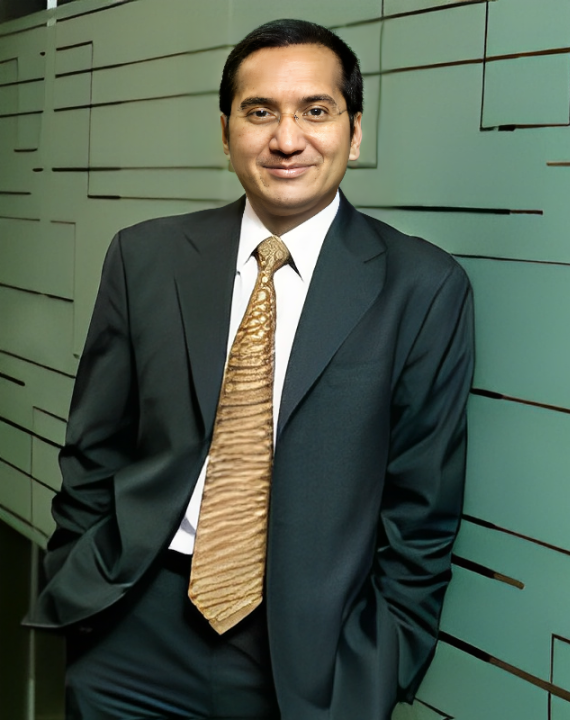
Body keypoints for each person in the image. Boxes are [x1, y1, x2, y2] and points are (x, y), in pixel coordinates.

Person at [27, 18, 475, 720]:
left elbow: (423, 510)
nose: (287, 139)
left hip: (310, 659)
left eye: (316, 111)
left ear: (355, 132)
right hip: (134, 627)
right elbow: (94, 447)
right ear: (226, 131)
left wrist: (381, 664)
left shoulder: (421, 286)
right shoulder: (145, 259)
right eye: (260, 112)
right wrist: (81, 587)